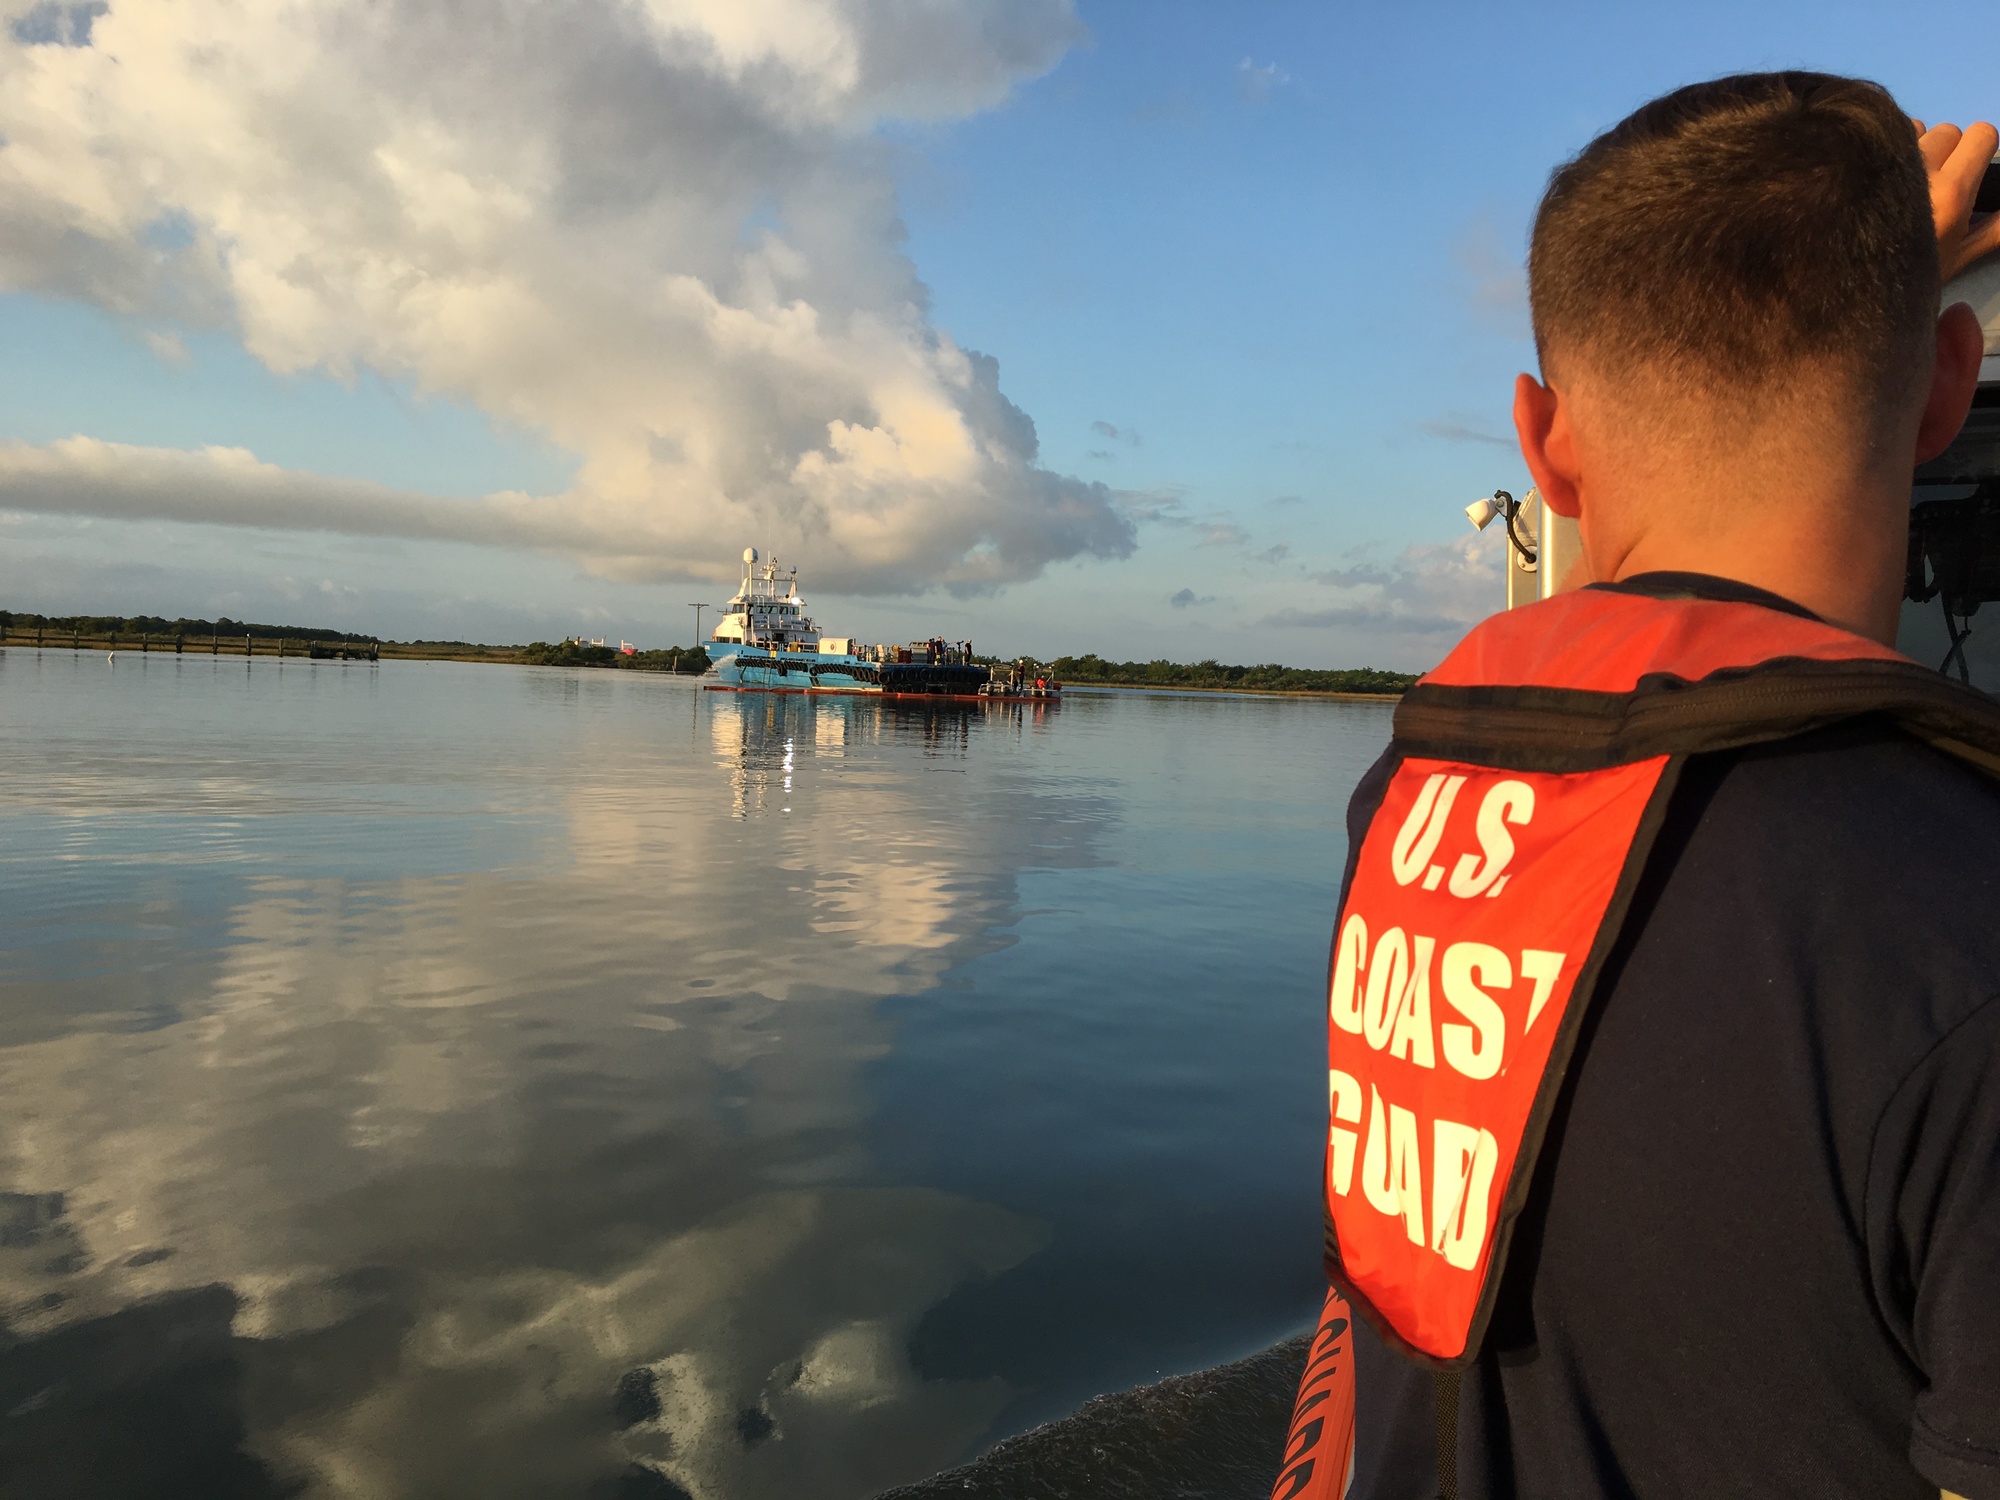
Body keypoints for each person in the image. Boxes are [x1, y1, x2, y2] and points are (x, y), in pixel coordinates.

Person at [1273, 74, 2000, 1500]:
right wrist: (1884, 286)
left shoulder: (1418, 794)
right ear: (1952, 388)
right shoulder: (1960, 914)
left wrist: (1870, 280)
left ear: (1543, 449)